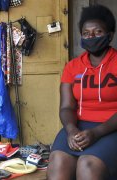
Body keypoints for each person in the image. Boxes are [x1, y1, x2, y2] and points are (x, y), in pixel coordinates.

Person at [47, 4, 117, 180]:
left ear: (110, 35)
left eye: (98, 32)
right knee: (58, 161)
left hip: (111, 127)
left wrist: (97, 133)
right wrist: (71, 130)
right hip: (77, 126)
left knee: (87, 164)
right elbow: (66, 107)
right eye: (86, 33)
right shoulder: (72, 67)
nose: (91, 37)